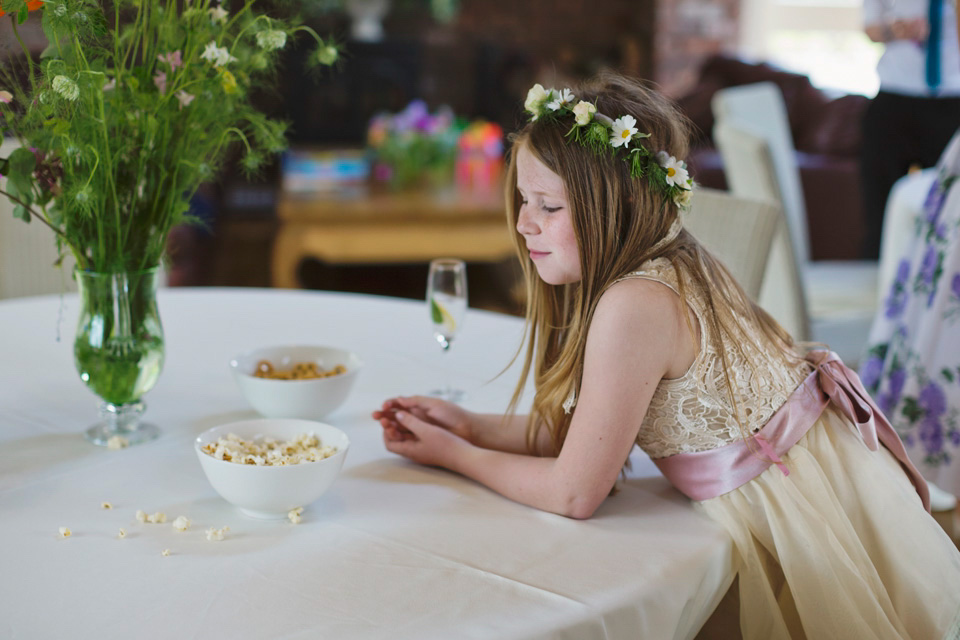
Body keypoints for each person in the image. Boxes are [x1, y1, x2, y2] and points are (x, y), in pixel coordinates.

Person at [373, 73, 960, 638]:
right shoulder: (670, 256)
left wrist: (456, 456)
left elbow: (574, 493)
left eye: (548, 207)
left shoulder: (634, 304)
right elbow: (595, 437)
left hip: (789, 521)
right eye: (525, 201)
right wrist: (470, 425)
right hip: (820, 477)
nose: (524, 224)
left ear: (614, 204)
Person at [860, 0, 960, 259]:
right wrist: (897, 31)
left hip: (952, 101)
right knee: (879, 207)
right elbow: (870, 28)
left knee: (949, 206)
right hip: (895, 98)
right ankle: (877, 278)